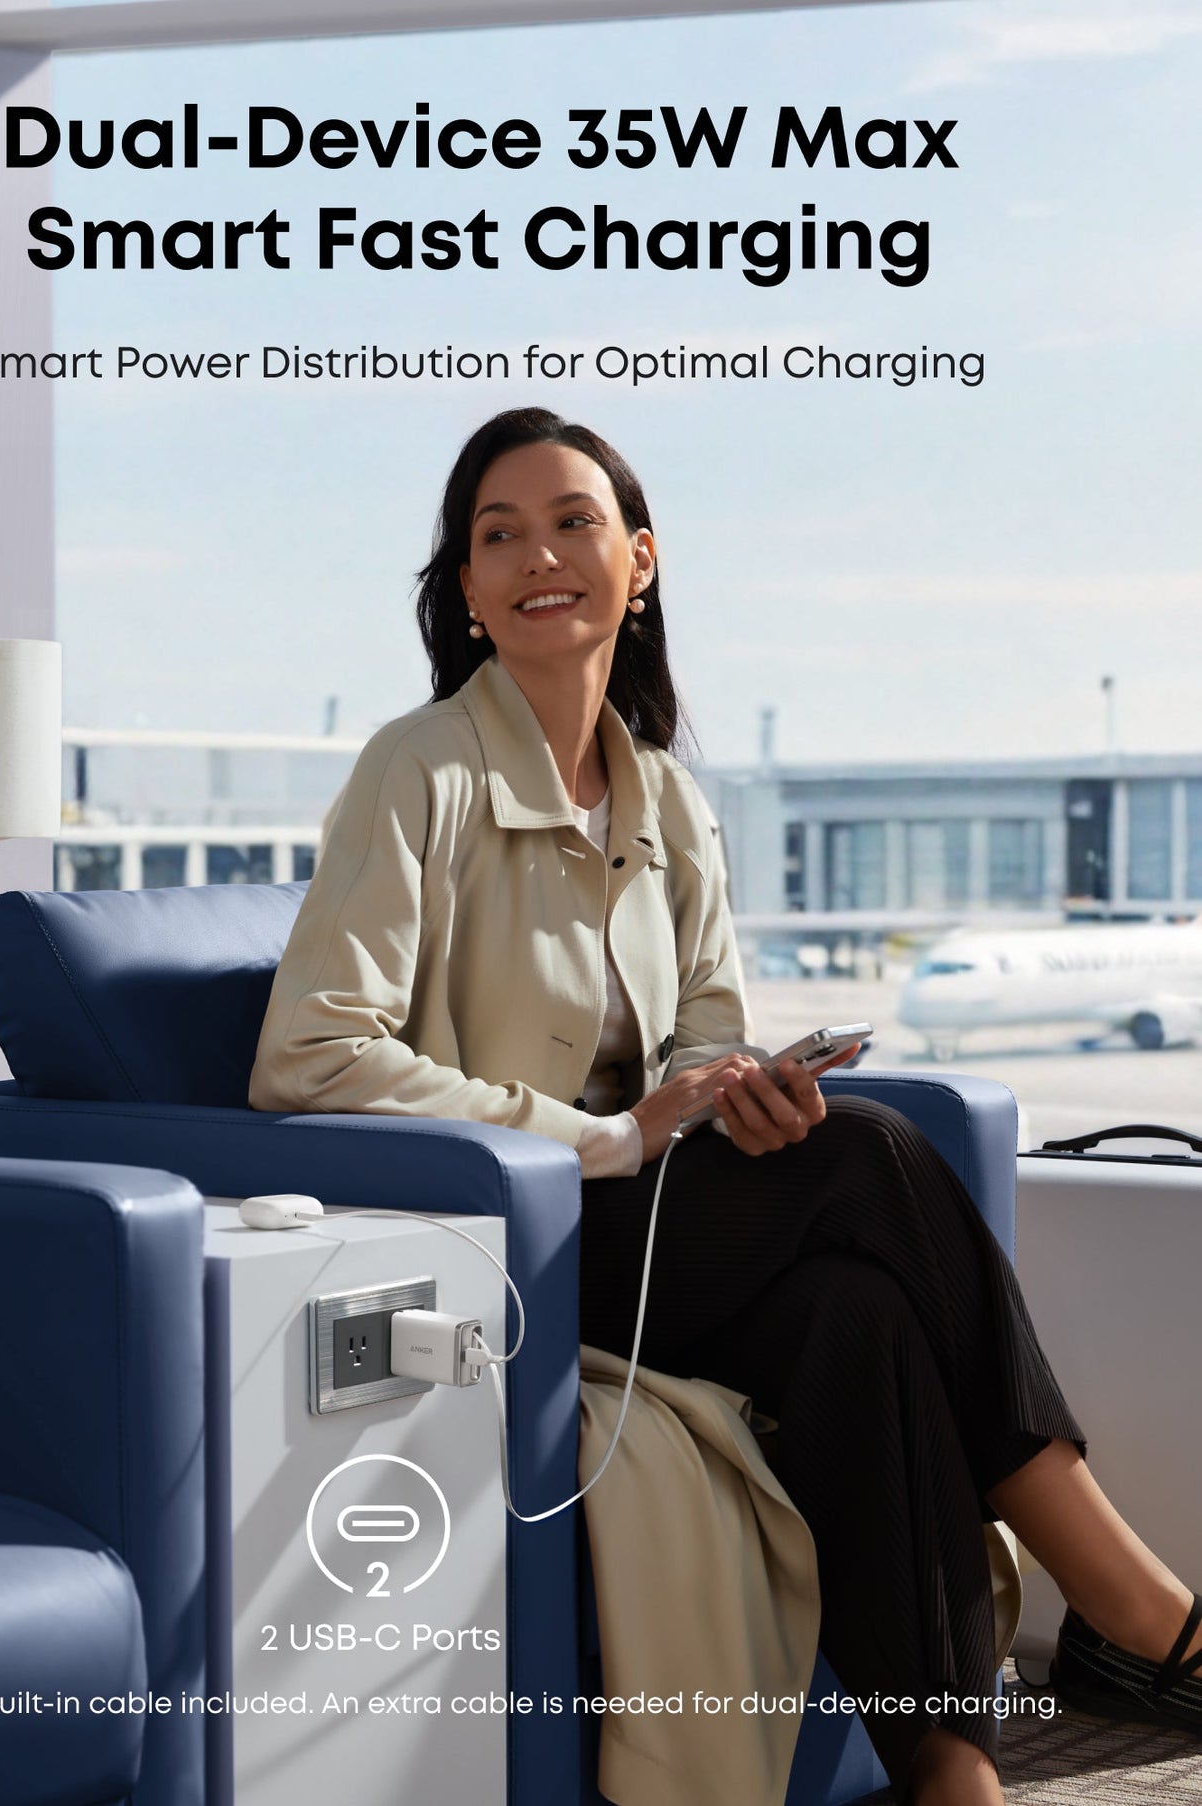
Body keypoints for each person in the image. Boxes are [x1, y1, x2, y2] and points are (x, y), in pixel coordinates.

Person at [250, 407, 1202, 1805]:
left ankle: (954, 1773)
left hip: (669, 1237)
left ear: (639, 562)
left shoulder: (670, 802)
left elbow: (700, 1032)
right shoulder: (419, 769)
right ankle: (1129, 1603)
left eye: (572, 522)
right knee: (875, 1153)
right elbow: (312, 1055)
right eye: (498, 535)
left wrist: (736, 1097)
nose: (537, 556)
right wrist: (613, 1136)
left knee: (859, 1315)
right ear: (465, 590)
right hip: (508, 1251)